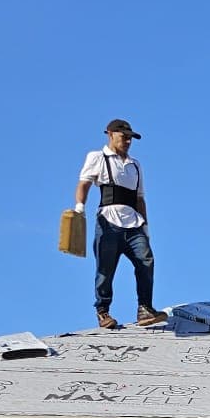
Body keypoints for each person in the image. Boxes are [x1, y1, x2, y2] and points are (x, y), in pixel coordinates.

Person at [74, 119, 165, 330]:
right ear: (110, 134)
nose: (127, 141)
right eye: (123, 137)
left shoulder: (135, 165)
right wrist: (79, 207)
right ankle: (103, 311)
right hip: (108, 221)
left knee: (146, 261)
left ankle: (145, 309)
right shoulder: (98, 157)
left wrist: (146, 227)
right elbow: (84, 184)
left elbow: (140, 198)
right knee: (106, 269)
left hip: (134, 223)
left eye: (130, 138)